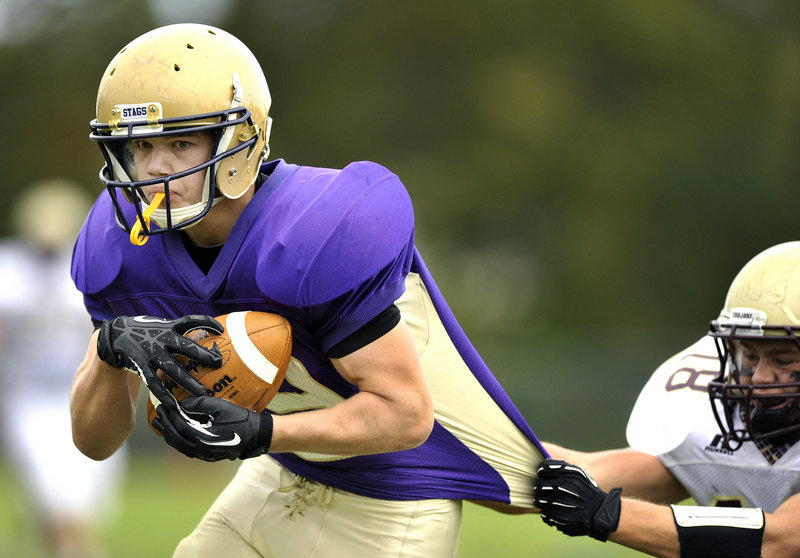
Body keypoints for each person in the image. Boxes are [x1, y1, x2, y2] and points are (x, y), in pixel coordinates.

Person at [69, 23, 547, 558]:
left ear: (238, 145)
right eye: (140, 146)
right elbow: (94, 444)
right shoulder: (119, 250)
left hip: (392, 498)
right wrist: (108, 352)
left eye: (181, 143)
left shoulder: (318, 231)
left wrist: (263, 431)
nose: (155, 167)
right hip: (277, 479)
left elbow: (407, 413)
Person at [534, 241, 800, 558]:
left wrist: (607, 514)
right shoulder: (707, 427)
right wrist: (469, 452)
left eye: (783, 361)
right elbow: (573, 473)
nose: (758, 377)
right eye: (750, 357)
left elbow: (780, 542)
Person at [0, 179, 126, 558]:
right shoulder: (10, 269)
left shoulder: (91, 268)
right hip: (29, 394)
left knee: (86, 495)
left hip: (83, 390)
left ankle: (59, 542)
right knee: (56, 497)